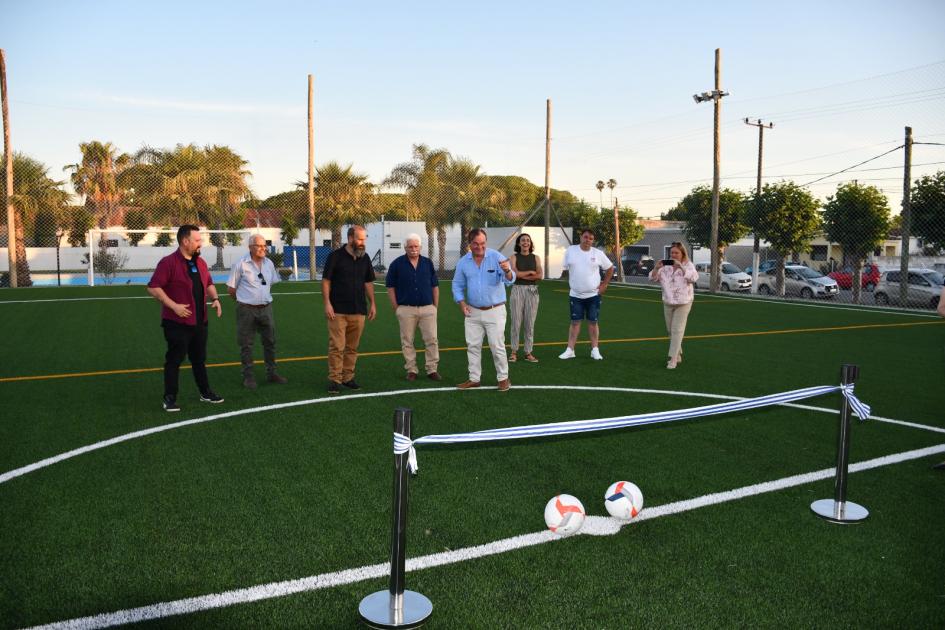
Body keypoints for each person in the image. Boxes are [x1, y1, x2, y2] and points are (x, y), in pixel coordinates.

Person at [147, 224, 224, 412]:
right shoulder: (168, 263)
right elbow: (153, 287)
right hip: (176, 323)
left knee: (199, 359)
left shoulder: (201, 263)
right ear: (185, 241)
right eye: (197, 240)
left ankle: (205, 392)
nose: (201, 244)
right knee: (174, 360)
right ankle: (169, 398)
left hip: (199, 322)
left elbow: (209, 283)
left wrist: (215, 299)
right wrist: (174, 306)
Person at [452, 228, 515, 391]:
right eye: (476, 244)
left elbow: (510, 280)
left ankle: (503, 378)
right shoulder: (463, 262)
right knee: (472, 345)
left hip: (495, 310)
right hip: (472, 311)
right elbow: (457, 285)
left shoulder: (497, 257)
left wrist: (507, 270)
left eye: (483, 243)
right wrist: (461, 303)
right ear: (469, 244)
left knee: (496, 345)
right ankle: (474, 378)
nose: (480, 247)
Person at [226, 234, 288, 389]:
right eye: (259, 246)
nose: (263, 248)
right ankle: (248, 377)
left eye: (264, 245)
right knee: (246, 344)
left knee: (270, 341)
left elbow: (269, 284)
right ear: (250, 248)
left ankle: (271, 373)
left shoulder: (269, 264)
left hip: (266, 309)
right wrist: (245, 301)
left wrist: (261, 298)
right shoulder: (240, 264)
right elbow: (231, 289)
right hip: (246, 310)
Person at [322, 225, 376, 394]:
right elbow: (326, 281)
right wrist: (327, 303)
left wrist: (372, 303)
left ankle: (348, 378)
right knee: (337, 347)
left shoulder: (365, 258)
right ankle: (335, 379)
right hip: (337, 311)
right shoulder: (335, 257)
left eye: (364, 239)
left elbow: (368, 282)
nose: (363, 242)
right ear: (350, 238)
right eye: (360, 239)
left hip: (359, 310)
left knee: (352, 348)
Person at [385, 233, 441, 382]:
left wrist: (435, 306)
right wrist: (396, 307)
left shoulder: (428, 263)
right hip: (406, 309)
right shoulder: (396, 264)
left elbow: (435, 286)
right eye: (410, 246)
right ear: (405, 248)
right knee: (407, 341)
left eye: (416, 246)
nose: (413, 249)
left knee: (432, 339)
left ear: (420, 247)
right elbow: (390, 287)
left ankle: (432, 369)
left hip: (428, 309)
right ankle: (411, 369)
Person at [558, 228, 613, 361]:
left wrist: (604, 284)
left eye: (590, 238)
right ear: (581, 237)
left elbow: (610, 268)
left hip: (593, 296)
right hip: (575, 295)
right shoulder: (571, 250)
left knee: (593, 322)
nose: (587, 240)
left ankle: (595, 350)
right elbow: (565, 268)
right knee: (575, 322)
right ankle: (570, 350)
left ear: (592, 241)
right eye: (585, 237)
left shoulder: (598, 253)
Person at [649, 241, 698, 369]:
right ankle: (678, 352)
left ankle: (673, 358)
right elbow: (652, 278)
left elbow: (693, 278)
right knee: (670, 330)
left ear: (682, 254)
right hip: (668, 301)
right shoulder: (665, 266)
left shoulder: (688, 265)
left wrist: (681, 267)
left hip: (684, 302)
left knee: (677, 329)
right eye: (672, 253)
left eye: (676, 253)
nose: (674, 255)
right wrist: (656, 268)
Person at [509, 232, 542, 363]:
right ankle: (513, 351)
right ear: (518, 243)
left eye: (527, 240)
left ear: (530, 243)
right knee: (516, 322)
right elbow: (515, 274)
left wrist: (524, 275)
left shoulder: (536, 258)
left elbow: (539, 275)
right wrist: (530, 272)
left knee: (530, 323)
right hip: (517, 290)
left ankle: (528, 352)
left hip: (532, 291)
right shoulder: (513, 257)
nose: (525, 242)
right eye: (523, 240)